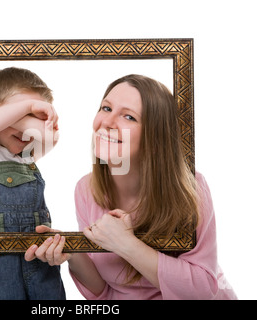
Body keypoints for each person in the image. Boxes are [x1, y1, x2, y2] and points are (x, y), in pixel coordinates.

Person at [25, 74, 237, 300]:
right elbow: (106, 292)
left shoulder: (190, 188)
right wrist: (71, 251)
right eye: (106, 109)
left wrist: (127, 245)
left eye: (128, 116)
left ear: (155, 138)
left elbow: (202, 290)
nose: (107, 122)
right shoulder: (86, 190)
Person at [0, 67, 65, 300]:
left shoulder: (29, 155)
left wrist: (13, 113)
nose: (26, 130)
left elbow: (52, 135)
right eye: (16, 118)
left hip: (42, 270)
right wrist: (29, 108)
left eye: (33, 120)